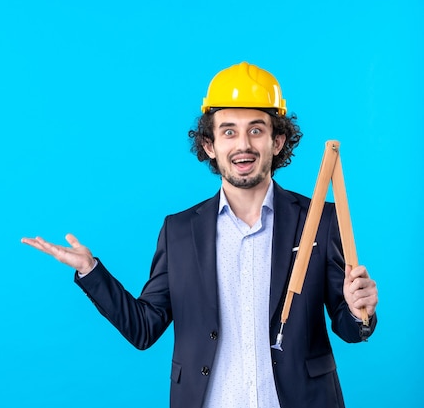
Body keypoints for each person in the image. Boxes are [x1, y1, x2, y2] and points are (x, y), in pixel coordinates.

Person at [21, 61, 378, 408]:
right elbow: (144, 329)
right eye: (228, 131)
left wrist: (359, 310)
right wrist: (90, 270)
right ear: (210, 145)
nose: (243, 144)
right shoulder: (179, 232)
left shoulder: (319, 220)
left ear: (278, 141)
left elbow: (348, 327)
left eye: (256, 130)